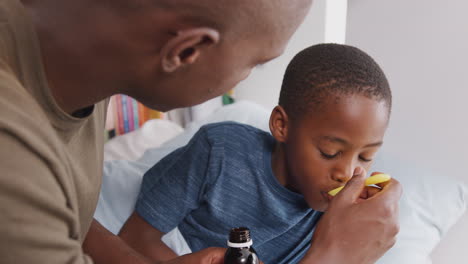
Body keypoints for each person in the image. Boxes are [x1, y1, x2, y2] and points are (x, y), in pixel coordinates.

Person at [0, 0, 401, 262]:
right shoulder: (14, 159)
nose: (349, 171)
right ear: (186, 51)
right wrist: (332, 257)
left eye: (366, 156)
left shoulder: (79, 77)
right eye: (257, 62)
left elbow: (75, 223)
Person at [119, 44, 400, 264]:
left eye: (365, 157)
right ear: (281, 125)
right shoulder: (220, 152)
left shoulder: (340, 213)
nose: (347, 173)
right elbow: (134, 238)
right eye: (330, 152)